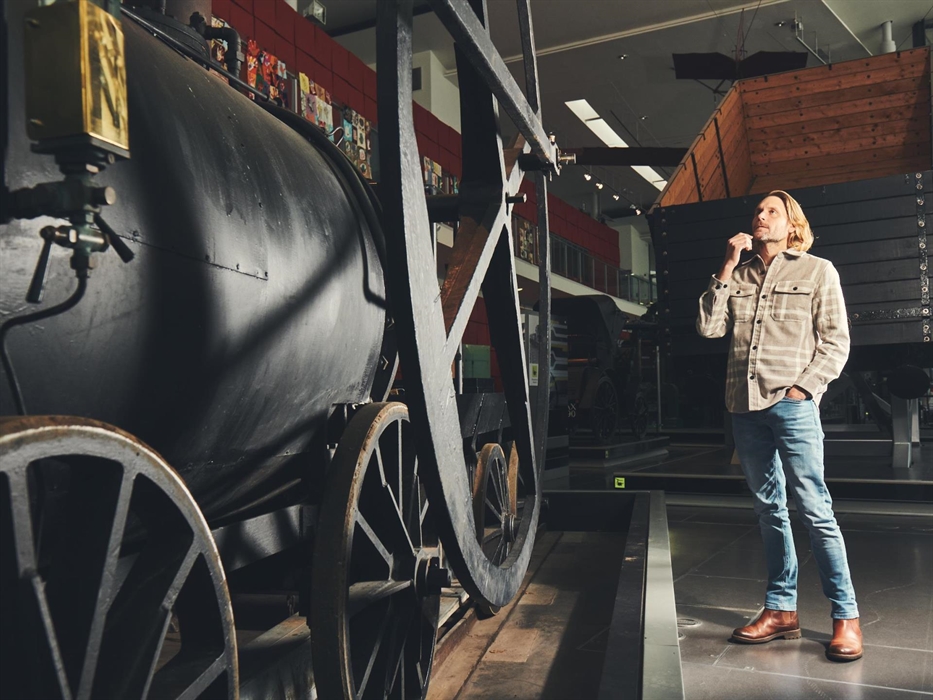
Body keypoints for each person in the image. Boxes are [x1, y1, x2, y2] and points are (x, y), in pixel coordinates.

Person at [696, 190, 862, 662]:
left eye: (772, 211)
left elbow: (835, 342)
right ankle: (781, 610)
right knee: (770, 509)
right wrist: (726, 266)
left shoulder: (817, 271)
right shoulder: (740, 275)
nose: (761, 217)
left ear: (792, 224)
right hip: (743, 408)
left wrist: (803, 389)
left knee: (814, 508)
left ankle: (846, 616)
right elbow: (709, 328)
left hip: (792, 404)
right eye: (757, 211)